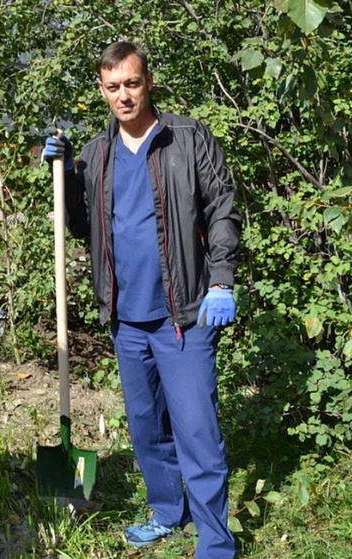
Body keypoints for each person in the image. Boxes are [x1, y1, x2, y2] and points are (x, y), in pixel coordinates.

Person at [42, 41, 241, 558]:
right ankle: (167, 512)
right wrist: (62, 178)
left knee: (198, 430)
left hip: (184, 315)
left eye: (132, 83)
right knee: (148, 429)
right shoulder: (95, 153)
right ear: (102, 90)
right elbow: (80, 225)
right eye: (113, 87)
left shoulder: (187, 137)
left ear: (147, 80)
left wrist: (221, 279)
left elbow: (222, 208)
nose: (124, 95)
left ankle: (215, 540)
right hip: (125, 318)